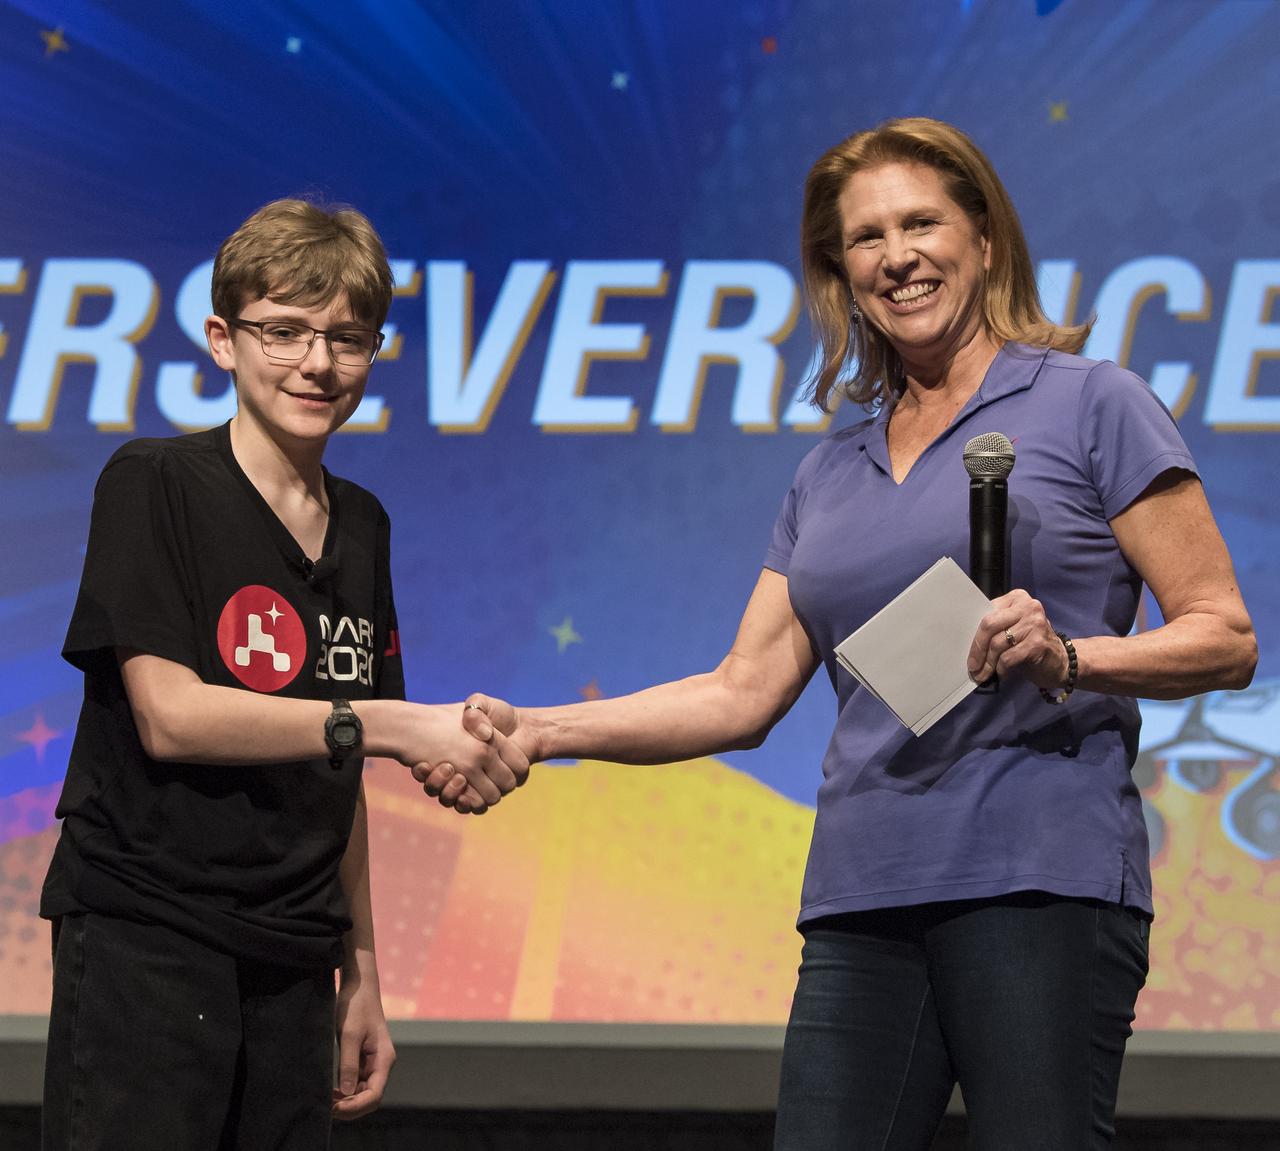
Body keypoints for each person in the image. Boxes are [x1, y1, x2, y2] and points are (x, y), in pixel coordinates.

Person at [421, 119, 1257, 1149]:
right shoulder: (829, 471)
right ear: (839, 274)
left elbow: (1223, 635)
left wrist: (1071, 656)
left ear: (985, 239)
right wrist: (539, 730)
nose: (896, 256)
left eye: (920, 223)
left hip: (1037, 878)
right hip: (864, 891)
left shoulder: (1093, 403)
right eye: (864, 239)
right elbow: (739, 690)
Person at [39, 199, 528, 1151]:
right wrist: (388, 724)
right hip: (151, 933)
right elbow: (170, 717)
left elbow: (336, 778)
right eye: (285, 331)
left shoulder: (364, 523)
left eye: (346, 338)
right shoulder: (153, 482)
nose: (316, 363)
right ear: (223, 340)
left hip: (299, 959)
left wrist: (366, 975)